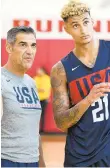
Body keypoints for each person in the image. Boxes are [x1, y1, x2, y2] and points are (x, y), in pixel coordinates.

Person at [50, 0, 110, 167]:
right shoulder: (60, 70)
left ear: (93, 22)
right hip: (79, 154)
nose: (83, 30)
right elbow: (61, 123)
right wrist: (88, 99)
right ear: (66, 29)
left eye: (85, 22)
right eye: (75, 25)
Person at [1, 26, 45, 167]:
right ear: (9, 48)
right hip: (7, 161)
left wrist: (42, 163)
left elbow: (33, 129)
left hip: (32, 161)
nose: (29, 51)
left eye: (33, 46)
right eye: (23, 45)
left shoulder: (31, 83)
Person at [34, 67, 51, 133]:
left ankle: (42, 130)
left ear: (43, 71)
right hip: (36, 99)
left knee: (42, 115)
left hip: (44, 99)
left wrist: (38, 89)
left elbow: (45, 89)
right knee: (35, 115)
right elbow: (32, 88)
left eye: (39, 70)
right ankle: (35, 129)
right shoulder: (35, 78)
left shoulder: (47, 78)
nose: (38, 71)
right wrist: (39, 89)